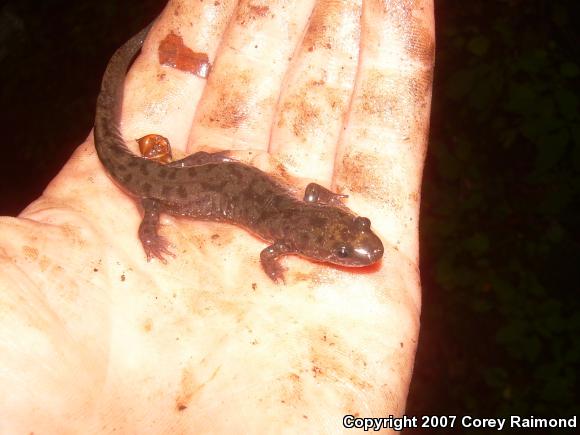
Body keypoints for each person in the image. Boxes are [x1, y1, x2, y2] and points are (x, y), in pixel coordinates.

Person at [0, 0, 433, 432]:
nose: (355, 247)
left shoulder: (297, 225)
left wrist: (327, 205)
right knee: (154, 200)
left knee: (168, 180)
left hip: (195, 175)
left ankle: (179, 160)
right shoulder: (286, 237)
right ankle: (154, 207)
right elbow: (271, 252)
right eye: (348, 243)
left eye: (347, 242)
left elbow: (299, 215)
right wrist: (151, 236)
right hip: (164, 192)